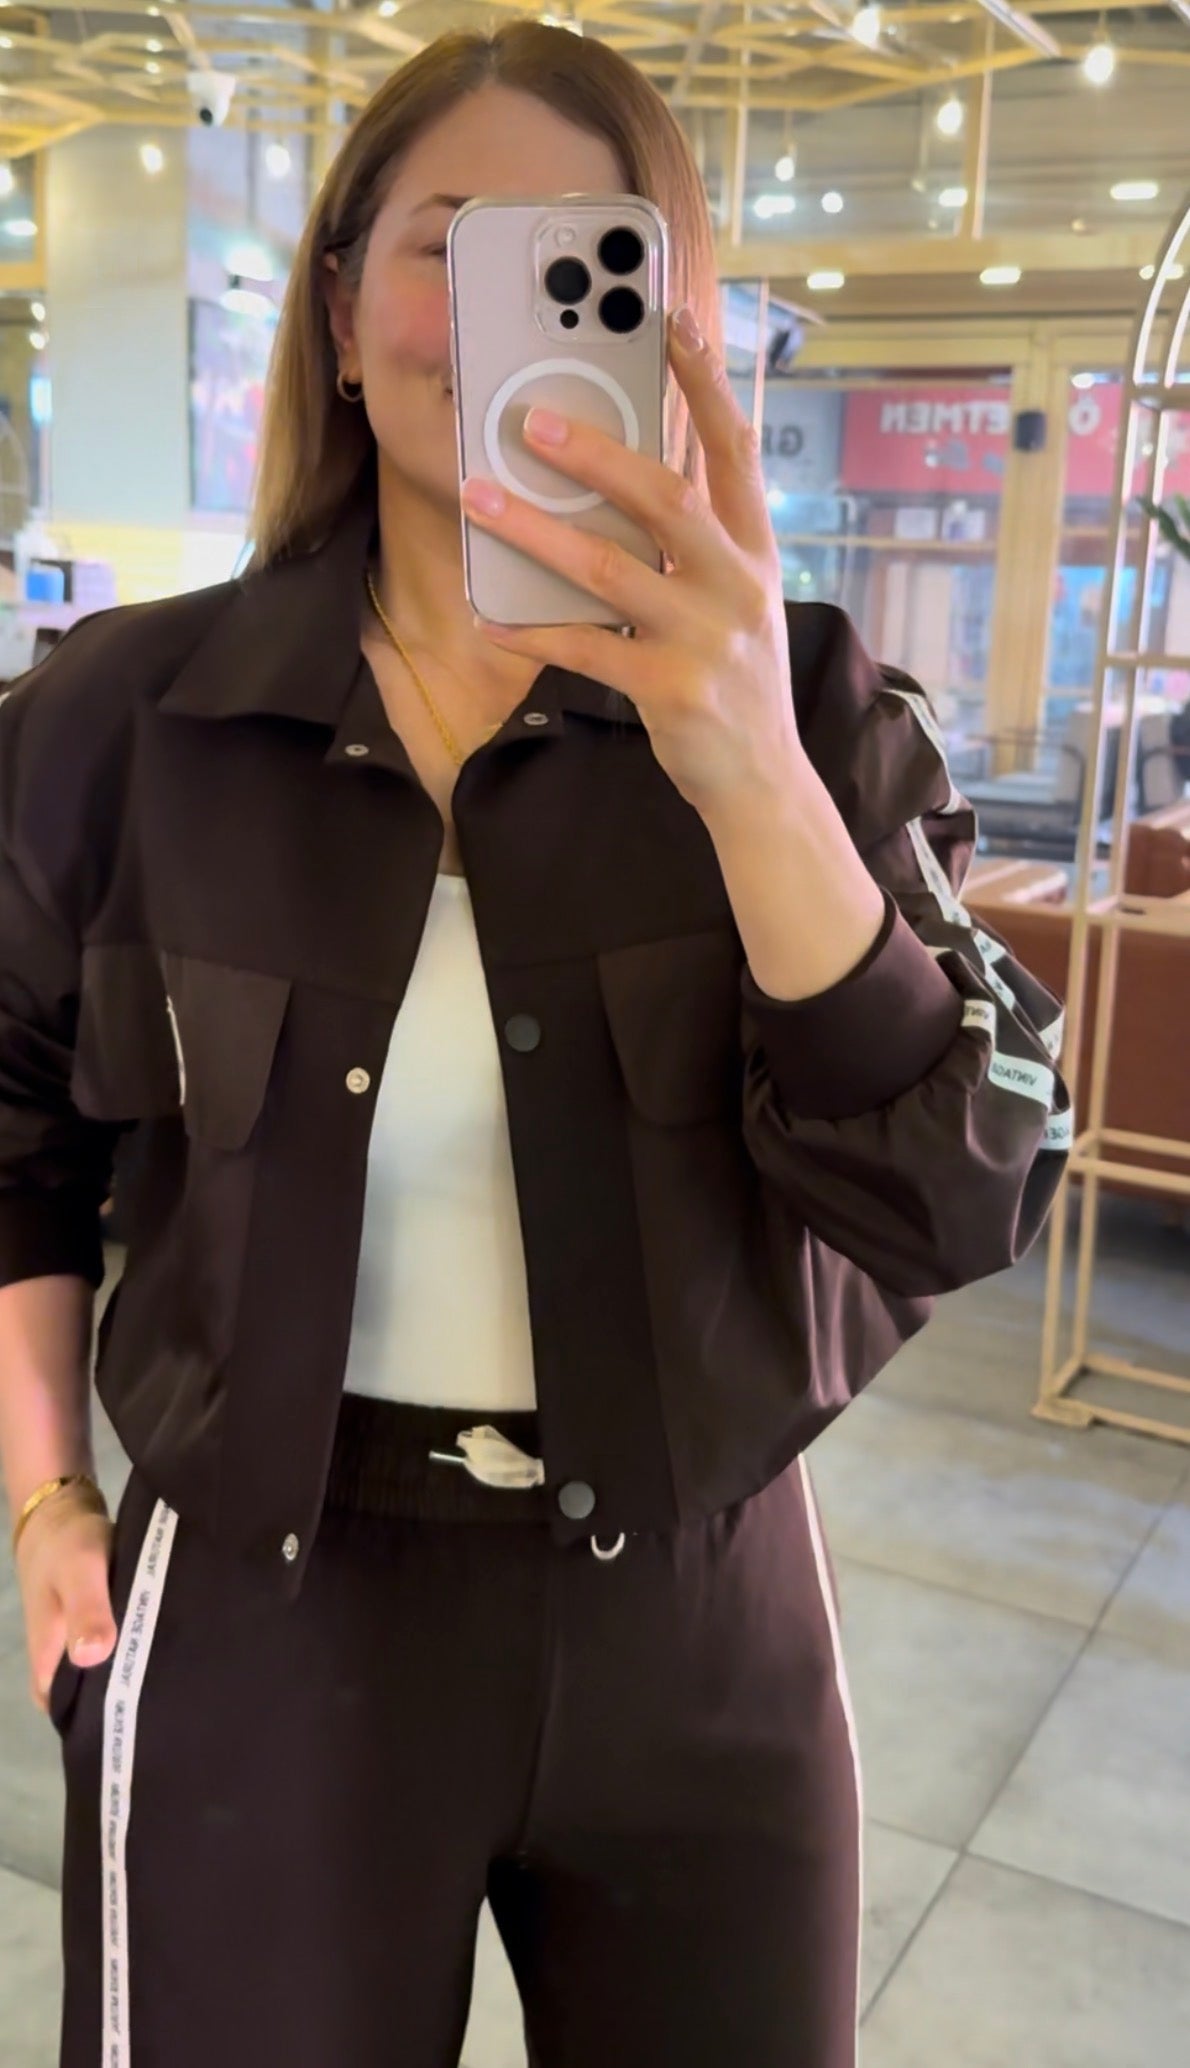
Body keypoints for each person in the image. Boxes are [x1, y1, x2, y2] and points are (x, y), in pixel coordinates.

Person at [0, 24, 1070, 2068]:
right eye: (449, 243)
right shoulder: (120, 726)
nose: (506, 306)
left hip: (699, 1617)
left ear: (673, 321)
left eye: (588, 249)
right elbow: (10, 1127)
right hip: (267, 1612)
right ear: (337, 315)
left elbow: (958, 1190)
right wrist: (49, 1490)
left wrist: (743, 762)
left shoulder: (810, 705)